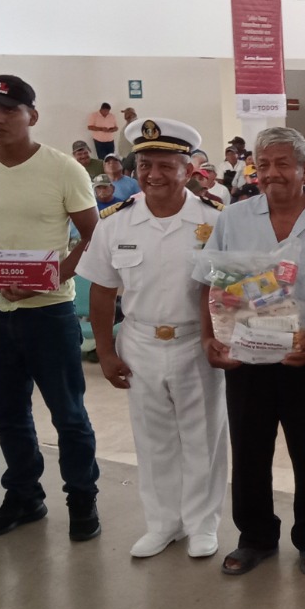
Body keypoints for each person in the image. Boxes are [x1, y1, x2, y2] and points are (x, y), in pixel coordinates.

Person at [201, 126, 305, 576]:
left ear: (304, 168)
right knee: (250, 450)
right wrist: (210, 337)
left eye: (282, 164)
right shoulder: (232, 219)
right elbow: (210, 283)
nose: (271, 174)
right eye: (263, 164)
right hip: (245, 358)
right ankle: (255, 536)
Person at [0, 75, 103, 542]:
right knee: (9, 416)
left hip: (49, 313)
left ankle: (81, 498)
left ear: (31, 116)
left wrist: (54, 276)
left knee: (68, 413)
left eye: (8, 110)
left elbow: (94, 236)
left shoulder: (63, 169)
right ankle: (25, 497)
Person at [78, 118, 228, 560]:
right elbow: (102, 291)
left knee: (204, 438)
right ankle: (164, 523)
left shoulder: (213, 220)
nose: (153, 174)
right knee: (153, 438)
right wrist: (105, 352)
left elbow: (226, 288)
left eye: (165, 164)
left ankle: (203, 524)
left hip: (195, 343)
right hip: (140, 342)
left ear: (188, 169)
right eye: (144, 164)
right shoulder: (116, 223)